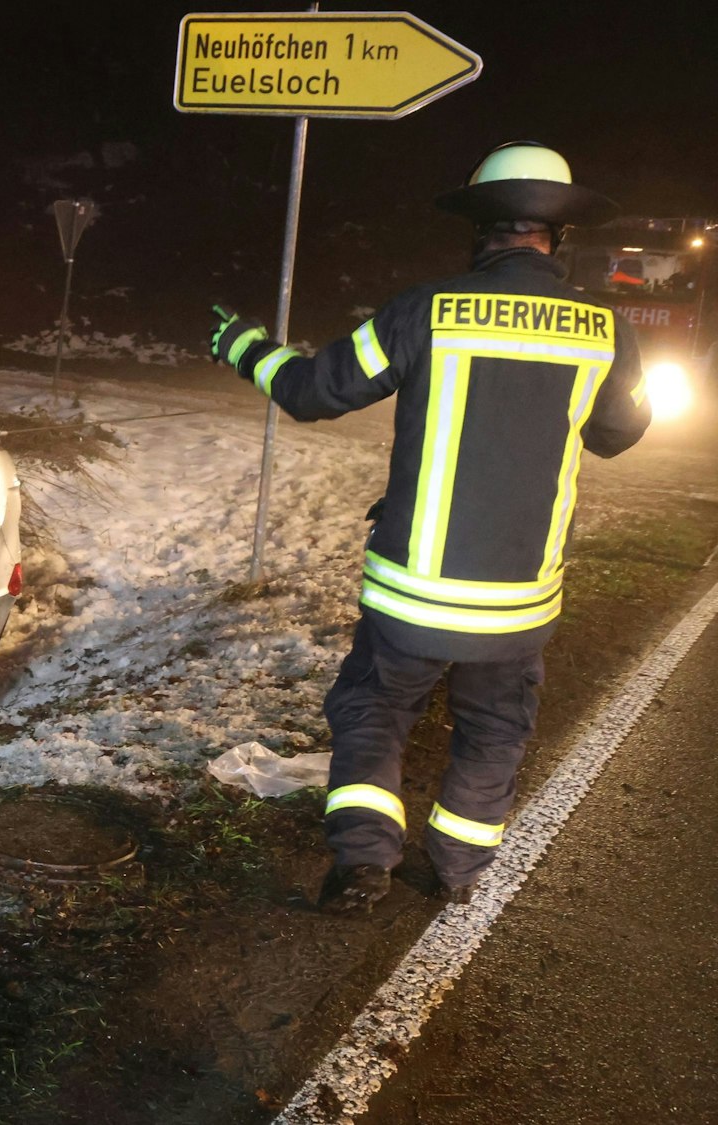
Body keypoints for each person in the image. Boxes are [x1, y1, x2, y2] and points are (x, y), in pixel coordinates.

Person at [207, 142, 652, 913]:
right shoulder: (603, 329)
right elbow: (618, 432)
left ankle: (361, 866)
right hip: (517, 606)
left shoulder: (427, 309)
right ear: (561, 238)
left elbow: (315, 391)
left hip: (409, 598)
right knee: (494, 727)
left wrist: (244, 346)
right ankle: (456, 874)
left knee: (372, 710)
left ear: (479, 231)